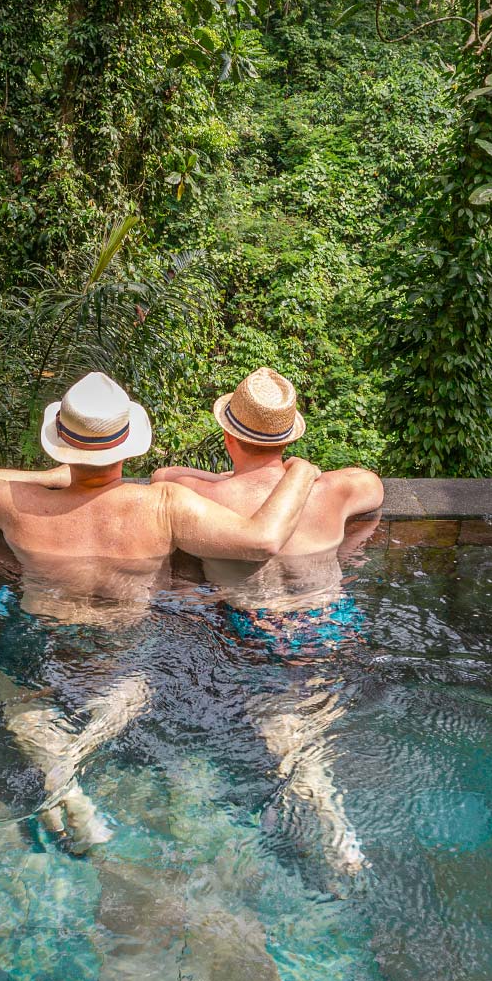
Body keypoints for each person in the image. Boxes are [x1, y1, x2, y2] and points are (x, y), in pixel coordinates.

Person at [0, 371, 321, 853]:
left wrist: (58, 478)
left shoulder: (15, 503)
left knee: (24, 700)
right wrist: (301, 472)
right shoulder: (162, 505)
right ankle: (77, 761)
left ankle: (63, 782)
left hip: (41, 636)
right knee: (130, 691)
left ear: (61, 446)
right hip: (120, 647)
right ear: (126, 447)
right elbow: (262, 540)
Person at [153, 367, 384, 874]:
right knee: (308, 725)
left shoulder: (202, 499)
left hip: (261, 632)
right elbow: (374, 487)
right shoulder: (335, 490)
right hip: (335, 623)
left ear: (228, 434)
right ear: (289, 437)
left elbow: (161, 478)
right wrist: (301, 473)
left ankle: (331, 821)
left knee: (286, 732)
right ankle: (327, 811)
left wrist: (228, 479)